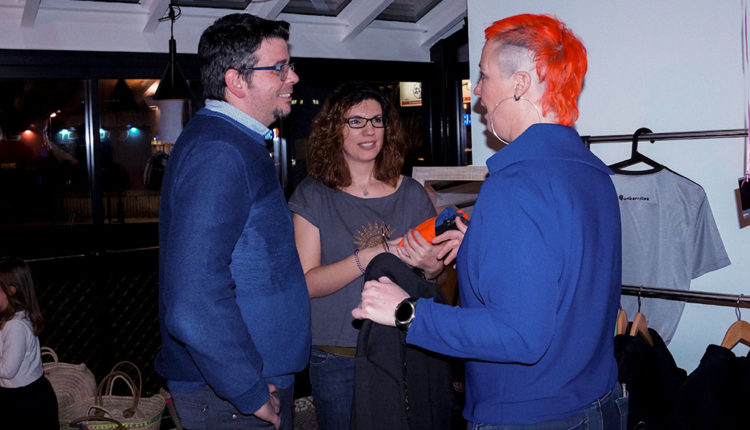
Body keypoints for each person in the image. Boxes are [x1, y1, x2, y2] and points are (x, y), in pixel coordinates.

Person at [353, 13, 627, 429]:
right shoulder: (591, 172)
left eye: (483, 75)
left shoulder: (515, 186)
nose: (477, 90)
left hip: (532, 416)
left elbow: (519, 335)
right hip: (596, 402)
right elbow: (562, 276)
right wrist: (480, 247)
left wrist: (407, 311)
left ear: (520, 84)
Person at [156, 13, 310, 430]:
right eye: (280, 68)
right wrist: (249, 391)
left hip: (242, 381)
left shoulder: (233, 142)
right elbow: (193, 300)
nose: (293, 77)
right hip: (231, 391)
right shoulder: (220, 152)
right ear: (236, 81)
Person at [288, 82, 449, 430]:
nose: (370, 130)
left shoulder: (412, 193)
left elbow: (437, 281)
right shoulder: (313, 194)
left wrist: (432, 268)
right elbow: (307, 283)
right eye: (356, 121)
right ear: (334, 129)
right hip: (337, 355)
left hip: (405, 345)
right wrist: (374, 253)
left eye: (377, 120)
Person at [0, 257, 58, 429]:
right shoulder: (13, 318)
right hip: (21, 396)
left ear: (11, 290)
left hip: (27, 401)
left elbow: (7, 370)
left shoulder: (15, 326)